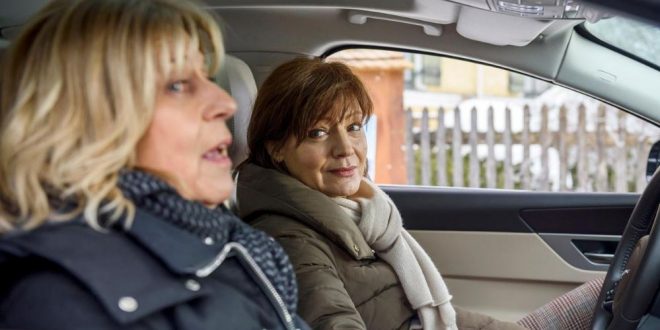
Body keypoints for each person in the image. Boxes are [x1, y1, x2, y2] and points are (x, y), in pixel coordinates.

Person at [0, 1, 308, 329]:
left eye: (206, 77)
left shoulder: (232, 242)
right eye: (176, 85)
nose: (226, 103)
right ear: (87, 123)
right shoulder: (57, 302)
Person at [235, 58, 603, 330]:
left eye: (354, 127)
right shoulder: (287, 236)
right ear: (277, 147)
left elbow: (410, 310)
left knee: (618, 284)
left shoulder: (357, 214)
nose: (345, 148)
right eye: (318, 132)